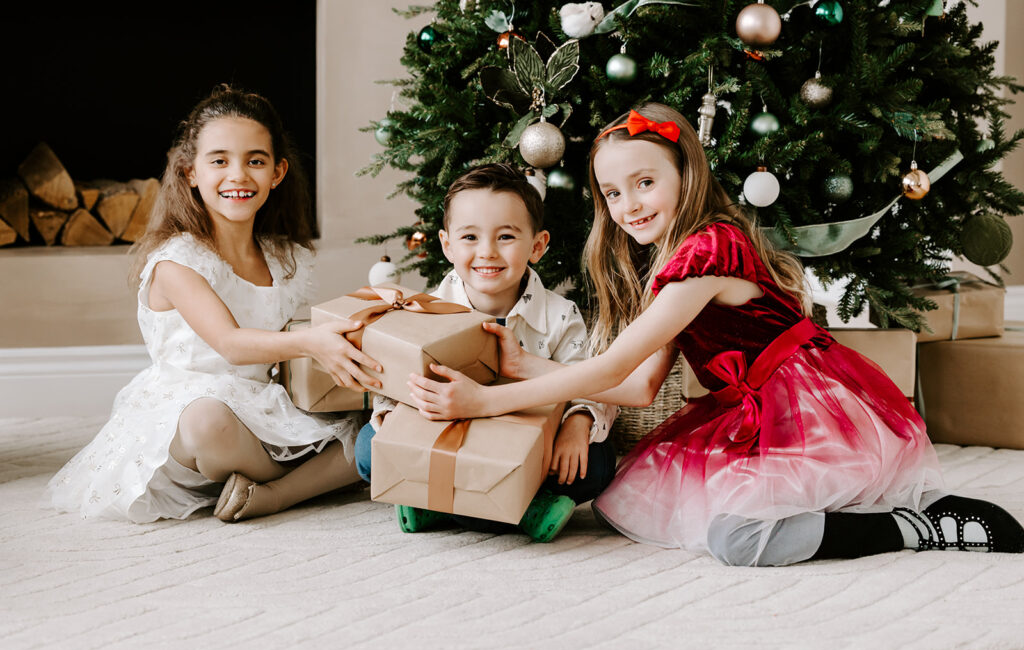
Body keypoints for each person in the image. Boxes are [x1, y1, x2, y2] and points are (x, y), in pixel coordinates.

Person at [404, 103, 1024, 565]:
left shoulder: (710, 250)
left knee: (739, 540)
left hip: (808, 405)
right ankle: (881, 513)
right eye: (613, 193)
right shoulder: (674, 264)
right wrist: (525, 368)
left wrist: (484, 400)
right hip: (753, 405)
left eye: (646, 182)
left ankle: (920, 528)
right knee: (628, 498)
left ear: (686, 174)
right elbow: (644, 387)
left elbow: (613, 368)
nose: (629, 205)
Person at [46, 85, 380, 523]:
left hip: (262, 407)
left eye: (254, 161)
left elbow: (277, 346)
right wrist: (312, 342)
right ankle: (299, 481)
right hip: (193, 422)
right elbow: (231, 344)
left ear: (277, 173)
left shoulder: (282, 257)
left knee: (369, 432)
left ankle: (272, 494)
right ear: (190, 172)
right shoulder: (177, 260)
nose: (238, 175)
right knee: (208, 421)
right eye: (219, 161)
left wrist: (374, 303)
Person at [354, 163, 618, 542]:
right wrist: (393, 420)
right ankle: (516, 510)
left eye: (506, 236)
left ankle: (438, 503)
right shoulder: (424, 310)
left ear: (538, 245)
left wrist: (578, 424)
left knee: (597, 464)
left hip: (528, 446)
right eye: (470, 237)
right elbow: (393, 381)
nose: (487, 252)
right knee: (368, 449)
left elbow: (591, 382)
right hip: (454, 437)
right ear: (447, 246)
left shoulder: (561, 317)